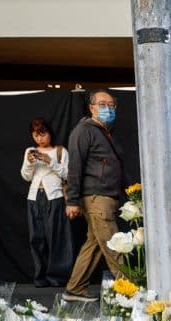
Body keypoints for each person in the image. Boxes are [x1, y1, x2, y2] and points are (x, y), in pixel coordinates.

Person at [62, 89, 131, 302]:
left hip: (107, 198)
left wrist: (130, 191)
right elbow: (75, 167)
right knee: (113, 246)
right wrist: (72, 201)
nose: (108, 108)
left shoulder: (105, 132)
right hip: (96, 198)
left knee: (94, 245)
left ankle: (74, 289)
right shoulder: (84, 131)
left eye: (111, 105)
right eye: (102, 104)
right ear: (91, 107)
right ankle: (131, 293)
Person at [21, 117, 72, 287]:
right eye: (36, 135)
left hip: (55, 197)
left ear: (50, 133)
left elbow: (67, 174)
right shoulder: (30, 151)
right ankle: (40, 277)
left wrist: (49, 161)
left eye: (43, 134)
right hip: (34, 197)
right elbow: (26, 176)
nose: (40, 139)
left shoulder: (60, 151)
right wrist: (29, 162)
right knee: (37, 238)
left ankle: (57, 277)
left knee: (57, 238)